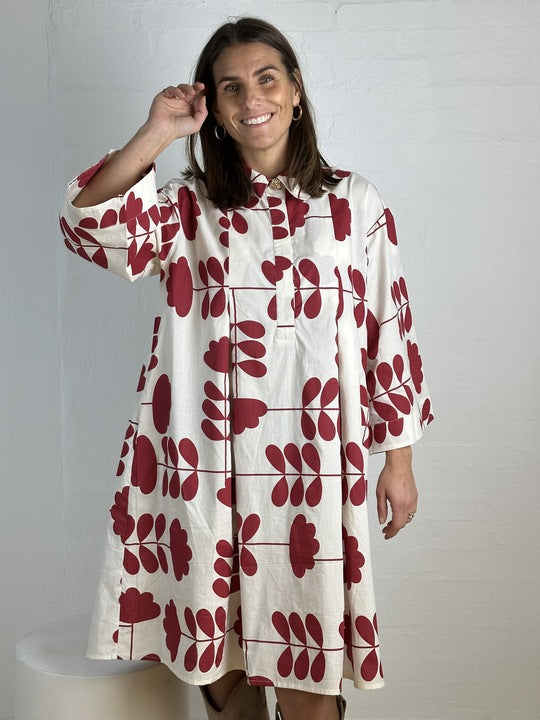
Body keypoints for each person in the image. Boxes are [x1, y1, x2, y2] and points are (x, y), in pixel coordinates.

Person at [60, 16, 434, 720]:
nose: (251, 98)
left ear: (295, 89)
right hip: (205, 467)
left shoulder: (355, 204)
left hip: (311, 472)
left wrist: (400, 461)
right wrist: (159, 131)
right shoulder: (186, 209)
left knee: (309, 676)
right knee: (224, 674)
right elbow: (89, 225)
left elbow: (390, 331)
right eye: (230, 87)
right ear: (215, 108)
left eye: (266, 78)